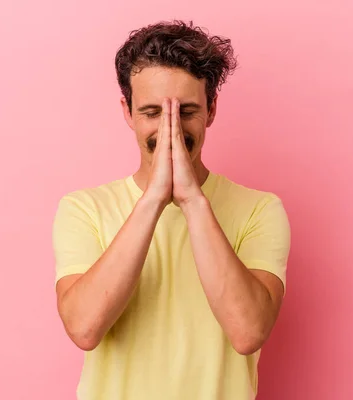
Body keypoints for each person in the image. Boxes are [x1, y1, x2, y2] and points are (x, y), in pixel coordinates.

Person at [52, 19, 291, 400]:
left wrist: (193, 202)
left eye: (186, 111)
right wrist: (152, 200)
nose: (170, 129)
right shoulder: (83, 209)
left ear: (211, 110)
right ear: (127, 113)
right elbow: (84, 328)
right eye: (152, 112)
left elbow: (247, 332)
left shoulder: (259, 210)